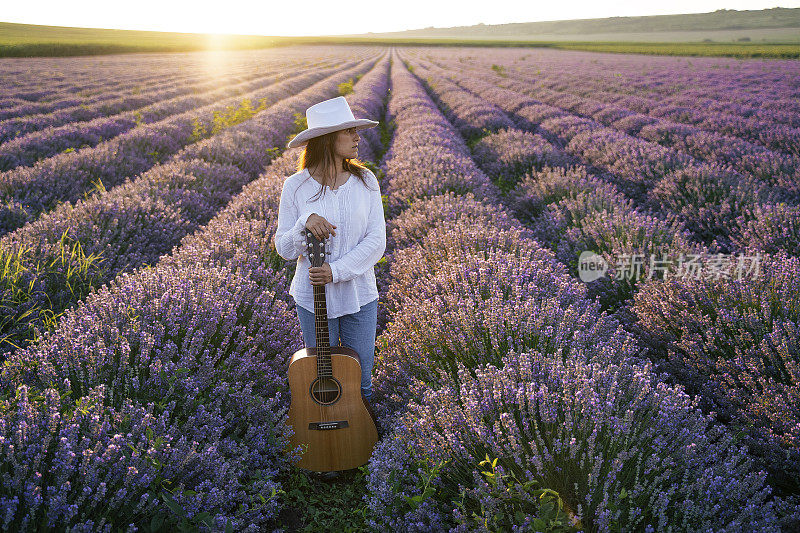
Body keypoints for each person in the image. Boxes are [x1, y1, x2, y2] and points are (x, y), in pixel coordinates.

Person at [273, 95, 385, 414]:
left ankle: (362, 451)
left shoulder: (366, 181)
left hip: (359, 294)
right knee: (322, 378)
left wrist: (335, 271)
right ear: (326, 139)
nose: (356, 137)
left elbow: (377, 241)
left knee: (360, 381)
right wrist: (302, 222)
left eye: (355, 130)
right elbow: (283, 248)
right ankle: (328, 445)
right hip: (312, 299)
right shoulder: (296, 187)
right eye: (348, 131)